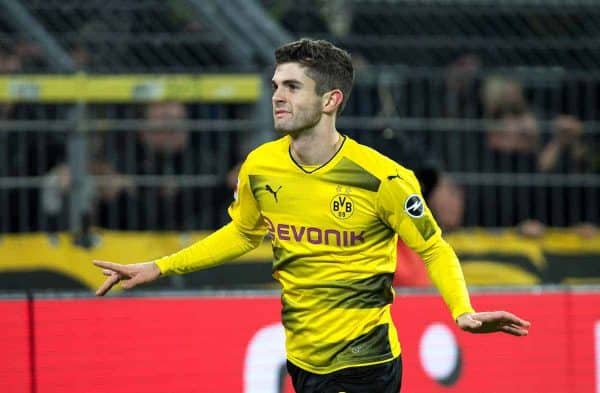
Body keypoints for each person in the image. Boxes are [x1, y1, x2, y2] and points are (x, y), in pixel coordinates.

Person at [92, 39, 531, 393]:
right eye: (276, 86)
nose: (277, 97)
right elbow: (242, 234)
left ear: (330, 100)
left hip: (368, 362)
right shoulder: (261, 166)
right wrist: (159, 266)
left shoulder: (383, 178)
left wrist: (461, 310)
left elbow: (433, 247)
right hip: (303, 360)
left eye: (293, 87)